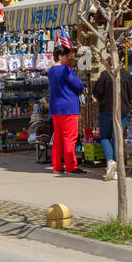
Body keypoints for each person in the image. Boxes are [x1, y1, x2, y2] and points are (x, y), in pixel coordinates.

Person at [92, 55, 132, 181]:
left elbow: (96, 93)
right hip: (123, 111)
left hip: (107, 110)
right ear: (121, 59)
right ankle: (116, 168)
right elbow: (131, 94)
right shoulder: (127, 75)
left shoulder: (104, 75)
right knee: (117, 139)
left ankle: (110, 163)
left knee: (104, 137)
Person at [46, 44, 85, 175]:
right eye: (67, 56)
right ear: (60, 56)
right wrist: (82, 87)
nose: (69, 58)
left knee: (58, 137)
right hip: (68, 107)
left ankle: (57, 165)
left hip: (55, 108)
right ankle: (71, 166)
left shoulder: (51, 70)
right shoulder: (65, 70)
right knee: (70, 137)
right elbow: (78, 85)